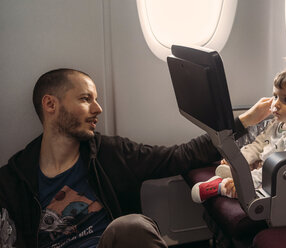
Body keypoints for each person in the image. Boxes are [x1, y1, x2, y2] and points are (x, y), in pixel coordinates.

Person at [0, 68, 269, 248]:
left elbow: (179, 156)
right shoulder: (13, 180)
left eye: (96, 100)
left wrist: (245, 120)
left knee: (132, 226)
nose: (98, 108)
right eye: (85, 99)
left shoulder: (110, 153)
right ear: (50, 105)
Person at [191, 58, 286, 203]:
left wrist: (247, 181)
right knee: (243, 165)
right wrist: (239, 162)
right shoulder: (279, 122)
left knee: (245, 191)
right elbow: (259, 144)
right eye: (275, 96)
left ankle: (220, 187)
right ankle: (229, 177)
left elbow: (281, 170)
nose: (275, 104)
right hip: (268, 169)